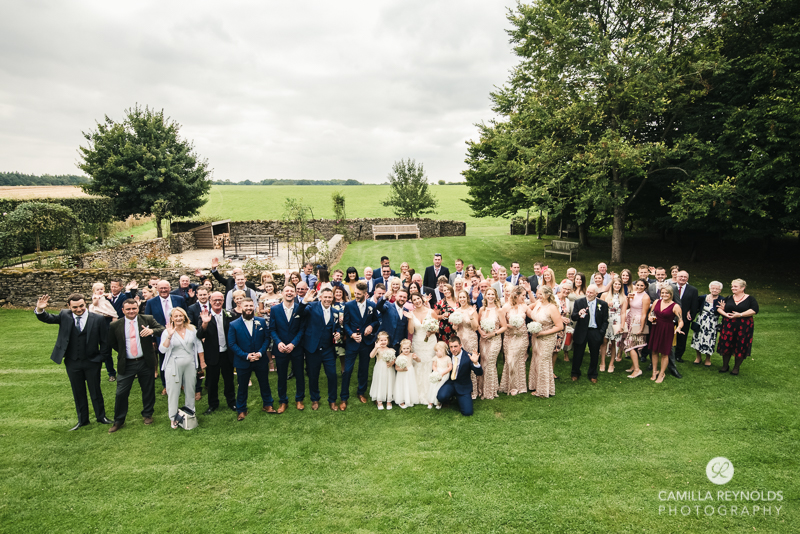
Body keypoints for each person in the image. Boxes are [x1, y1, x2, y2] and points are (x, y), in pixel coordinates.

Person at [35, 293, 113, 430]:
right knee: (78, 391)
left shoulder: (98, 319)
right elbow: (48, 318)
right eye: (75, 307)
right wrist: (40, 309)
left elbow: (105, 341)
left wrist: (101, 358)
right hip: (72, 362)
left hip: (92, 362)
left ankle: (101, 417)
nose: (79, 309)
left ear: (85, 304)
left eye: (81, 306)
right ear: (69, 306)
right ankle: (82, 420)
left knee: (95, 390)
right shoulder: (64, 315)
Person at [107, 299, 164, 432]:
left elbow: (162, 329)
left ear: (138, 309)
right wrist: (123, 354)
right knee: (121, 393)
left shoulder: (147, 319)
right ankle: (119, 420)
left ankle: (148, 414)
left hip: (145, 361)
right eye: (128, 309)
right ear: (123, 310)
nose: (131, 311)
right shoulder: (115, 325)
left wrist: (152, 332)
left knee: (148, 390)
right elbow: (113, 342)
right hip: (127, 363)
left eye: (134, 308)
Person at [159, 308, 205, 428]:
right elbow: (162, 350)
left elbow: (199, 345)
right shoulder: (167, 331)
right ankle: (173, 417)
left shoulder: (192, 329)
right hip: (173, 364)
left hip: (189, 363)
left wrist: (202, 362)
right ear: (172, 318)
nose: (178, 318)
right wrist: (169, 336)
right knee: (173, 391)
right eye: (176, 316)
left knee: (190, 388)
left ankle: (190, 412)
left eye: (181, 316)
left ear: (184, 317)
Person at [229, 298, 274, 420]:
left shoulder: (261, 322)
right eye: (246, 306)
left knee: (264, 383)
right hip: (243, 360)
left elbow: (267, 339)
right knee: (242, 386)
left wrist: (260, 353)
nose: (249, 308)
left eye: (250, 306)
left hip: (260, 359)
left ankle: (268, 404)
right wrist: (246, 355)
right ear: (241, 307)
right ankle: (241, 409)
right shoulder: (233, 325)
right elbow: (232, 344)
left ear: (254, 307)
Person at [298, 287, 341, 411]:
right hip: (313, 348)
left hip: (328, 349)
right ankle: (314, 399)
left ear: (332, 298)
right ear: (320, 297)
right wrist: (305, 301)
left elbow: (337, 326)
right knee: (313, 375)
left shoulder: (335, 312)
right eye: (325, 297)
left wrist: (338, 332)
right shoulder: (311, 307)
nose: (327, 299)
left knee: (332, 375)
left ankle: (332, 400)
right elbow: (299, 313)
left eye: (330, 297)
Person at [341, 281, 380, 410]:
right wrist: (351, 334)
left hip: (366, 343)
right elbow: (345, 323)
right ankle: (344, 397)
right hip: (352, 342)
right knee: (347, 370)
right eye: (355, 293)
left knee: (363, 369)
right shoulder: (349, 305)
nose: (356, 296)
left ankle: (361, 392)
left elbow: (376, 321)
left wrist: (371, 326)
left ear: (365, 294)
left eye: (358, 294)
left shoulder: (371, 305)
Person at [198, 292, 236, 414]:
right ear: (210, 301)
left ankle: (232, 402)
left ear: (223, 301)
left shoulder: (230, 315)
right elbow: (199, 335)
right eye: (215, 300)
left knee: (229, 380)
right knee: (212, 382)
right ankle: (213, 404)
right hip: (212, 354)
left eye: (220, 300)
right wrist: (205, 323)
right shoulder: (204, 316)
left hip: (227, 353)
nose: (217, 302)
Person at [268, 284, 305, 413]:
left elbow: (302, 329)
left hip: (296, 348)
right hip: (281, 348)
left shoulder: (300, 309)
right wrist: (278, 343)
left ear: (295, 294)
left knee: (299, 375)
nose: (289, 293)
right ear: (282, 294)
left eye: (291, 291)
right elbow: (272, 329)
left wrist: (293, 344)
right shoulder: (275, 309)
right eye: (287, 291)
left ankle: (299, 399)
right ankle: (283, 401)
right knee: (281, 376)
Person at [716, 278, 758, 375]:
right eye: (732, 286)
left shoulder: (750, 299)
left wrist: (740, 315)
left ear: (742, 288)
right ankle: (725, 365)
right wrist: (725, 314)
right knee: (726, 344)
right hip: (728, 325)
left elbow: (754, 310)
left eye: (735, 286)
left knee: (740, 345)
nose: (732, 288)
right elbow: (719, 308)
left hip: (743, 326)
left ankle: (736, 368)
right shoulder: (729, 298)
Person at [528, 286, 563, 398]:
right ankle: (535, 385)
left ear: (548, 295)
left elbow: (559, 326)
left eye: (541, 294)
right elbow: (530, 310)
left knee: (543, 361)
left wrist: (543, 332)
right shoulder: (538, 303)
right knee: (536, 359)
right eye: (538, 294)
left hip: (547, 338)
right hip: (536, 337)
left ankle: (543, 391)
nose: (539, 296)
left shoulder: (552, 307)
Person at [570, 285, 609, 383]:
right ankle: (575, 373)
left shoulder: (602, 304)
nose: (588, 294)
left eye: (591, 292)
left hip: (595, 331)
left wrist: (601, 333)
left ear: (596, 293)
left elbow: (605, 320)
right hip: (581, 331)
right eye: (587, 292)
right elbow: (573, 317)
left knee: (595, 354)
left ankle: (593, 374)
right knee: (578, 354)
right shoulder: (579, 302)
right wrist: (578, 314)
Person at [436, 337, 482, 416]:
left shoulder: (468, 356)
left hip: (463, 386)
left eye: (455, 346)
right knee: (441, 397)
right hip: (451, 383)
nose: (453, 349)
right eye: (451, 347)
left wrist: (475, 363)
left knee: (467, 412)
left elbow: (479, 373)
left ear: (460, 345)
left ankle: (460, 398)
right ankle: (450, 397)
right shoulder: (448, 355)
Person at [648, 286, 684, 383]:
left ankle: (661, 373)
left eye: (666, 293)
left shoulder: (675, 306)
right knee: (654, 350)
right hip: (656, 328)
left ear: (671, 294)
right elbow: (651, 313)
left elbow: (680, 320)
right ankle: (654, 371)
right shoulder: (656, 302)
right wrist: (650, 318)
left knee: (665, 352)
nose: (664, 295)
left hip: (667, 330)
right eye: (662, 292)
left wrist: (679, 328)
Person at [408, 292, 438, 406]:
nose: (417, 301)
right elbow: (411, 331)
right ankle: (417, 393)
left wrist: (432, 331)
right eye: (414, 300)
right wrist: (410, 319)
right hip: (418, 342)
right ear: (412, 302)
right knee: (418, 366)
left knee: (430, 365)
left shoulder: (431, 312)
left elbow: (437, 328)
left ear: (422, 299)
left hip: (430, 342)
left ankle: (431, 393)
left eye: (418, 298)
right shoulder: (412, 314)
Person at [499, 287, 529, 395]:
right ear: (516, 295)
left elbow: (534, 315)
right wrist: (509, 325)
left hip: (522, 337)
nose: (524, 298)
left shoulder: (524, 306)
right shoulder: (506, 307)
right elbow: (500, 323)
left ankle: (519, 386)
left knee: (519, 361)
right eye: (523, 295)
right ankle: (509, 385)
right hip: (510, 337)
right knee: (510, 360)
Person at [478, 288, 506, 400]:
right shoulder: (482, 310)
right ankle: (482, 389)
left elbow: (504, 327)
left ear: (495, 296)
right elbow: (478, 324)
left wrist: (493, 334)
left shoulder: (499, 310)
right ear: (485, 296)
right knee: (483, 362)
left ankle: (490, 390)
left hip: (494, 340)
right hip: (483, 339)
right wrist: (481, 332)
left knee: (490, 362)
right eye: (488, 294)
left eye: (492, 294)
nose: (490, 296)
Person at [453, 290, 481, 400]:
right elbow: (454, 328)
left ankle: (473, 391)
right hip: (460, 339)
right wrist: (454, 323)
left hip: (471, 338)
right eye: (460, 297)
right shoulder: (457, 310)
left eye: (464, 297)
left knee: (471, 362)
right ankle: (461, 389)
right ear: (458, 299)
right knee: (460, 364)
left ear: (467, 298)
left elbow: (475, 327)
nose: (462, 299)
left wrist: (471, 316)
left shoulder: (472, 310)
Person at [89, 282, 119, 382]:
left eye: (101, 289)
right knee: (101, 350)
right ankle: (109, 372)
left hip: (107, 321)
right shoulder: (95, 297)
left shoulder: (105, 297)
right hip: (97, 322)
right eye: (98, 289)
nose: (100, 291)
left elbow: (110, 298)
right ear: (94, 291)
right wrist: (97, 297)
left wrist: (107, 295)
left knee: (110, 348)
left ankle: (114, 372)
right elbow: (95, 304)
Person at [691, 281, 725, 366]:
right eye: (713, 288)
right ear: (709, 289)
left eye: (717, 289)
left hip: (712, 323)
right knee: (697, 338)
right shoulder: (703, 297)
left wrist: (724, 308)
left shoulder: (722, 300)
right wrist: (689, 312)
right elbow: (695, 307)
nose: (715, 290)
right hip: (701, 321)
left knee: (710, 340)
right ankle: (698, 357)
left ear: (720, 290)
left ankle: (708, 358)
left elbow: (723, 312)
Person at [623, 279, 650, 379]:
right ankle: (633, 365)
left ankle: (637, 370)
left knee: (631, 344)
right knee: (633, 344)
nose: (639, 287)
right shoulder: (633, 294)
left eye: (641, 286)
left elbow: (644, 314)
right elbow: (628, 306)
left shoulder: (645, 297)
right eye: (637, 285)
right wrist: (627, 299)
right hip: (631, 318)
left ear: (645, 287)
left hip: (638, 321)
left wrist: (641, 328)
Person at [600, 277, 628, 373]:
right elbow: (599, 308)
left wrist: (622, 325)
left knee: (614, 343)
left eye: (619, 284)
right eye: (615, 284)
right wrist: (606, 305)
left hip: (617, 321)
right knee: (604, 342)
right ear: (612, 285)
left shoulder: (624, 298)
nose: (617, 286)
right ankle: (602, 362)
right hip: (606, 320)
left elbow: (624, 312)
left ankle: (612, 363)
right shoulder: (605, 295)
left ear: (621, 286)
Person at [672, 270, 699, 363]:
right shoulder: (671, 287)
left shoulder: (693, 290)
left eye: (685, 277)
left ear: (687, 279)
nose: (683, 278)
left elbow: (694, 305)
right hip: (670, 316)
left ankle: (678, 356)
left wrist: (691, 316)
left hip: (684, 318)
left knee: (682, 338)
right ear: (676, 277)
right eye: (681, 276)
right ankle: (667, 354)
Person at [369, 332, 395, 410]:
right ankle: (379, 400)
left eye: (385, 340)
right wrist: (376, 347)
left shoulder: (391, 350)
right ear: (378, 341)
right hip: (379, 368)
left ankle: (389, 400)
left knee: (388, 382)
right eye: (381, 340)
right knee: (380, 382)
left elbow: (394, 359)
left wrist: (391, 363)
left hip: (388, 369)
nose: (383, 342)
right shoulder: (378, 349)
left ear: (388, 341)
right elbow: (371, 356)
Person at [393, 339, 420, 408]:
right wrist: (403, 369)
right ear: (401, 349)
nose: (406, 350)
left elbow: (419, 361)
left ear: (410, 348)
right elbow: (396, 368)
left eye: (408, 348)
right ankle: (401, 401)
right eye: (404, 348)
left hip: (410, 372)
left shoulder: (411, 355)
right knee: (402, 386)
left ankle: (409, 399)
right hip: (402, 374)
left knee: (410, 385)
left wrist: (416, 358)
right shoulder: (399, 357)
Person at [555, 280, 575, 365]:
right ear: (560, 288)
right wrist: (560, 318)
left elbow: (565, 314)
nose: (566, 291)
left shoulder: (567, 301)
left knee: (556, 349)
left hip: (561, 329)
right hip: (553, 327)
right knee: (549, 350)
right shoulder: (554, 298)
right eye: (564, 289)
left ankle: (551, 371)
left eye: (568, 289)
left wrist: (566, 319)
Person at [428, 341, 452, 409]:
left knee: (439, 386)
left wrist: (442, 373)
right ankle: (431, 401)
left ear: (442, 351)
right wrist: (436, 372)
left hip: (444, 373)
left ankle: (438, 402)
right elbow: (434, 366)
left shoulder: (448, 358)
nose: (436, 352)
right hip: (437, 372)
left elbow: (450, 367)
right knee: (433, 386)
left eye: (437, 351)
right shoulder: (436, 358)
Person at [331, 285, 347, 373]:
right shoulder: (330, 303)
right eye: (336, 292)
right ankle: (332, 369)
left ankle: (343, 369)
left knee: (342, 351)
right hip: (332, 329)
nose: (338, 294)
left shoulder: (346, 304)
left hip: (343, 330)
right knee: (332, 350)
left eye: (340, 292)